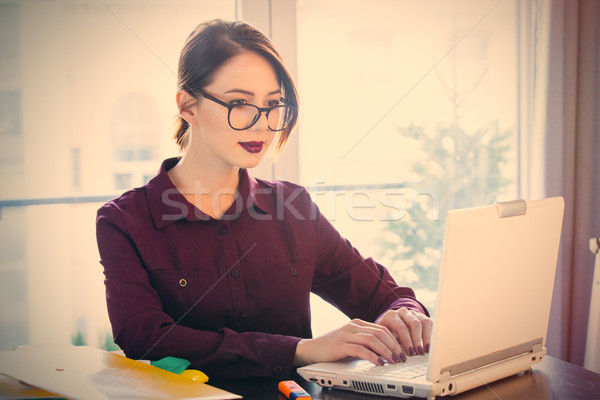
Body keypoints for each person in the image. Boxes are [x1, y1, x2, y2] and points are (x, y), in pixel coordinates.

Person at [96, 19, 432, 380]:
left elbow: (383, 295)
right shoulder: (124, 221)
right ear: (187, 106)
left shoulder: (295, 208)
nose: (263, 123)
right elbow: (145, 338)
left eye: (273, 104)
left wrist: (405, 313)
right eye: (240, 102)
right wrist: (300, 350)